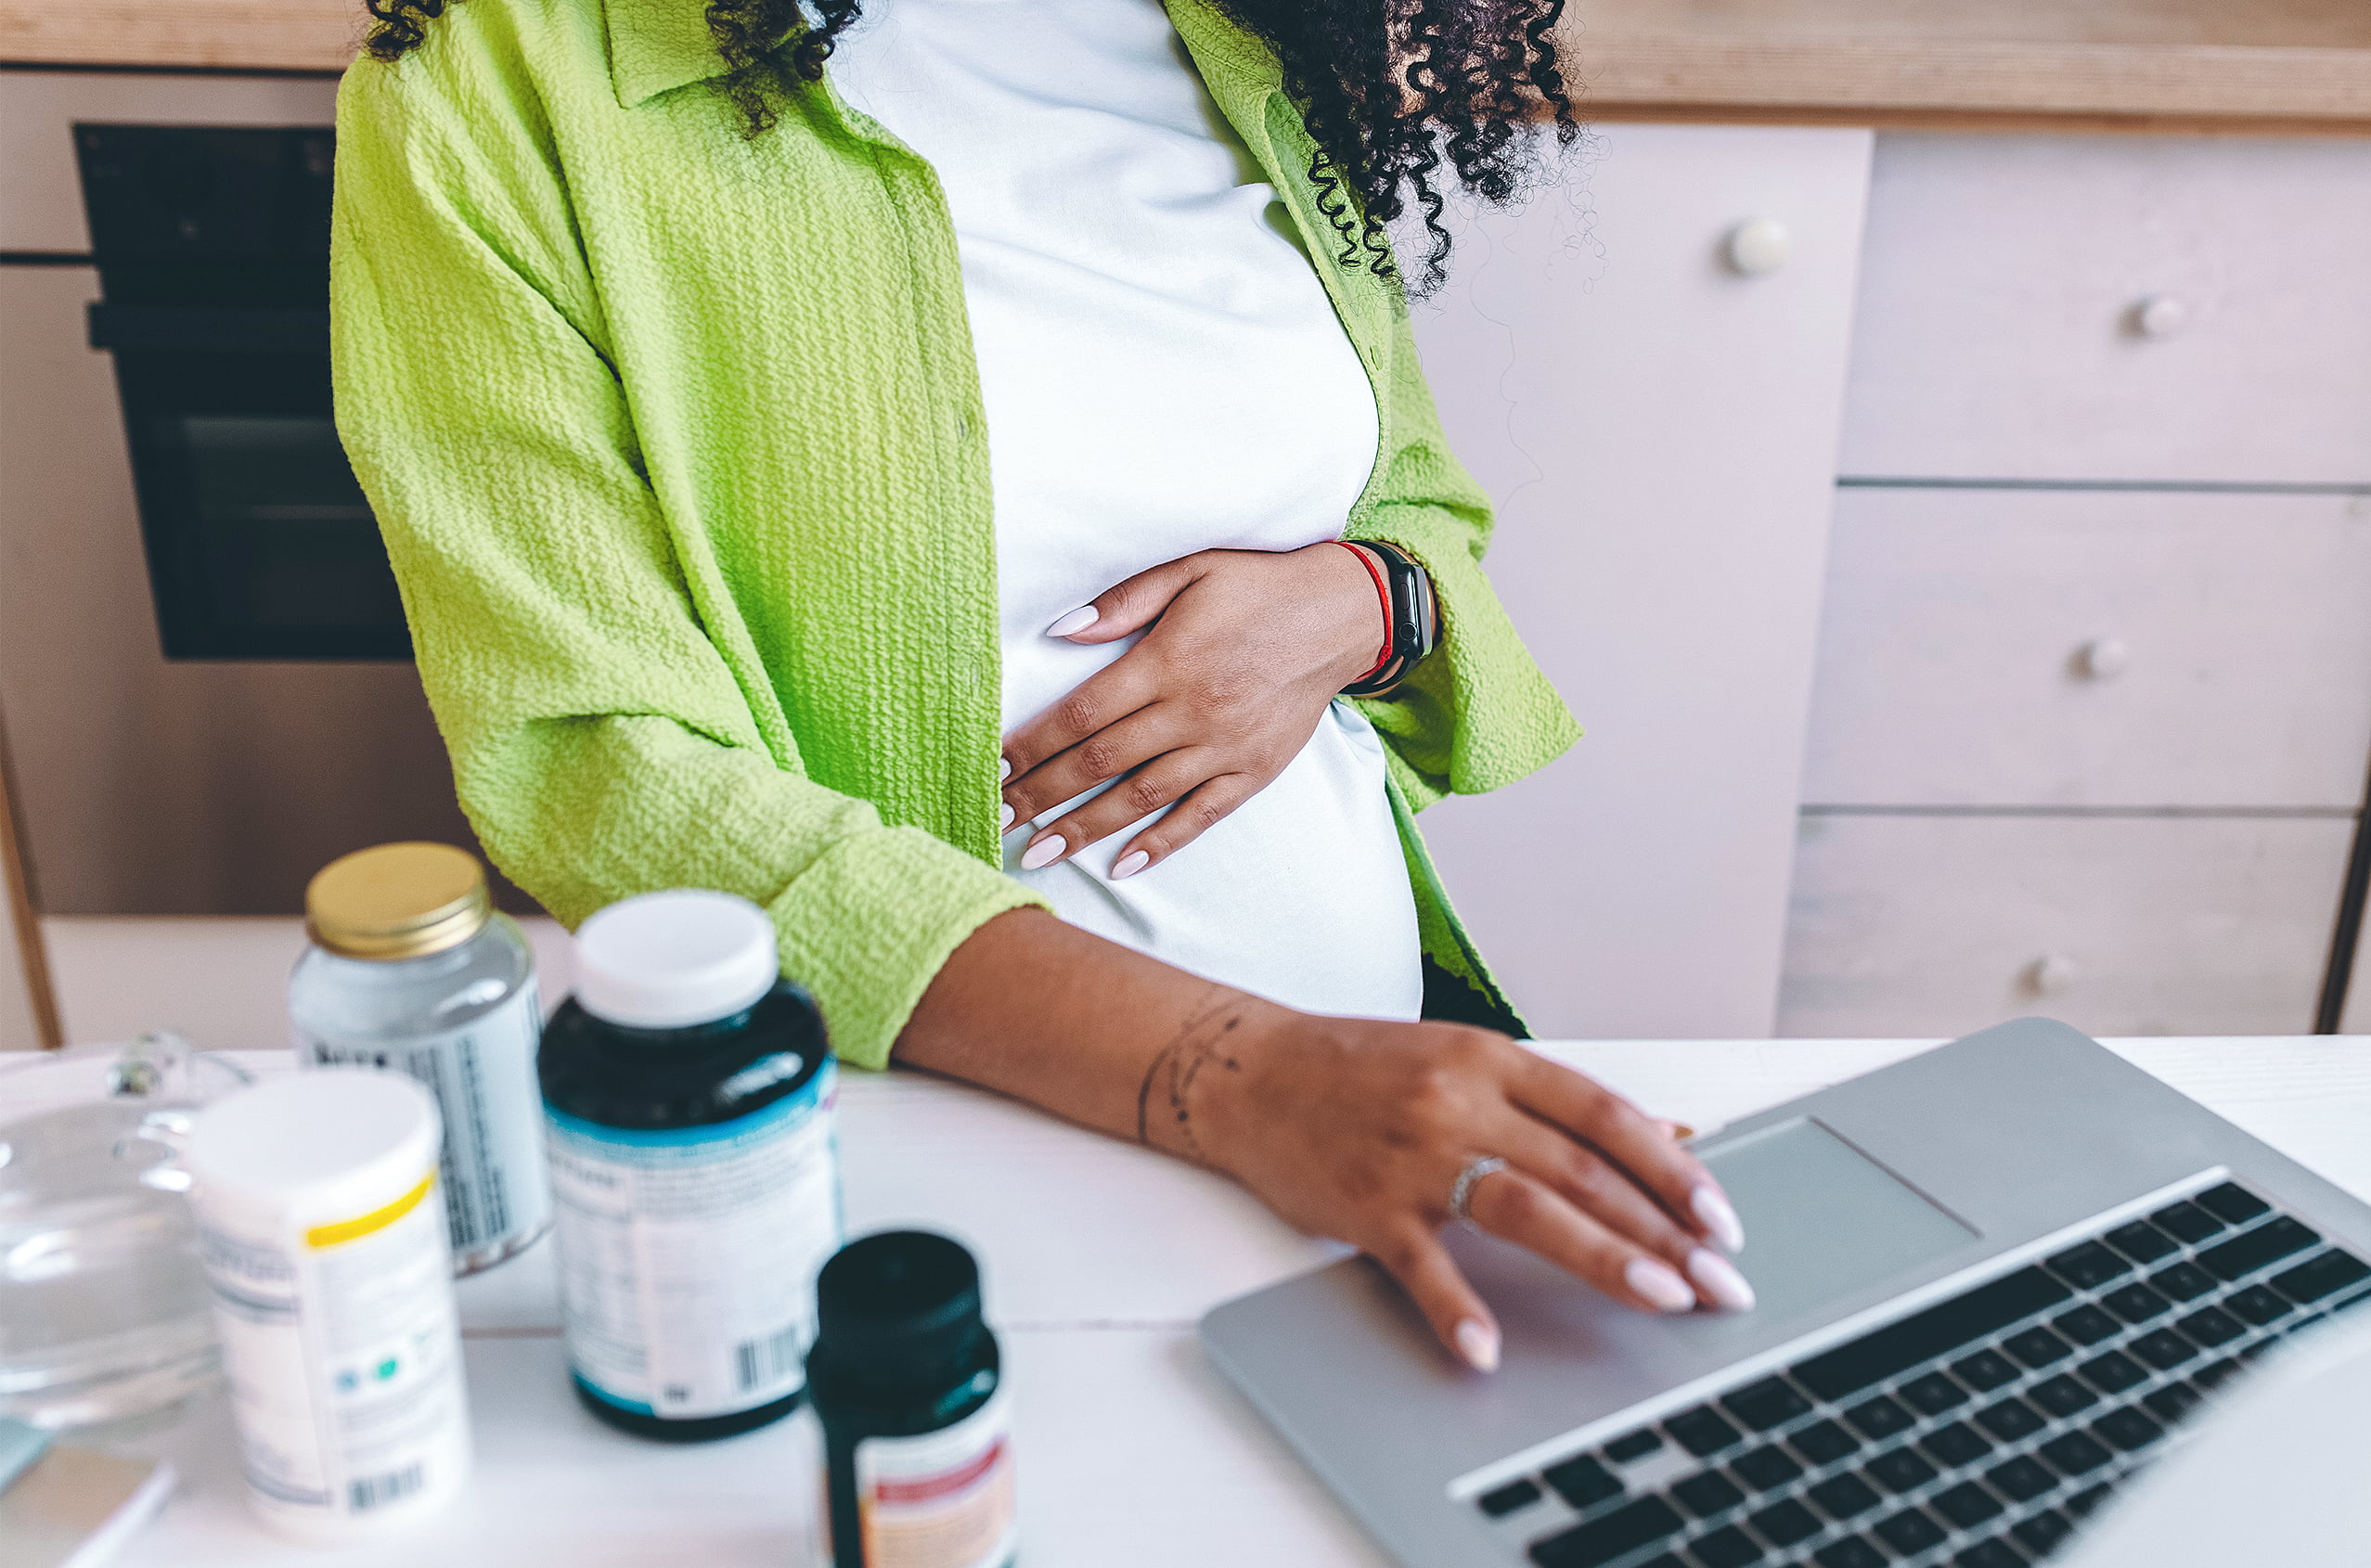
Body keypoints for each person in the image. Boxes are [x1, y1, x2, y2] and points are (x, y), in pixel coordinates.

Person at [330, 0, 1752, 1371]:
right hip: (979, 1195)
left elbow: (1419, 505)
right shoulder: (496, 81)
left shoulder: (1236, 25)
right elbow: (596, 762)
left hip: (1372, 1129)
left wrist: (1366, 604)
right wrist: (1249, 1076)